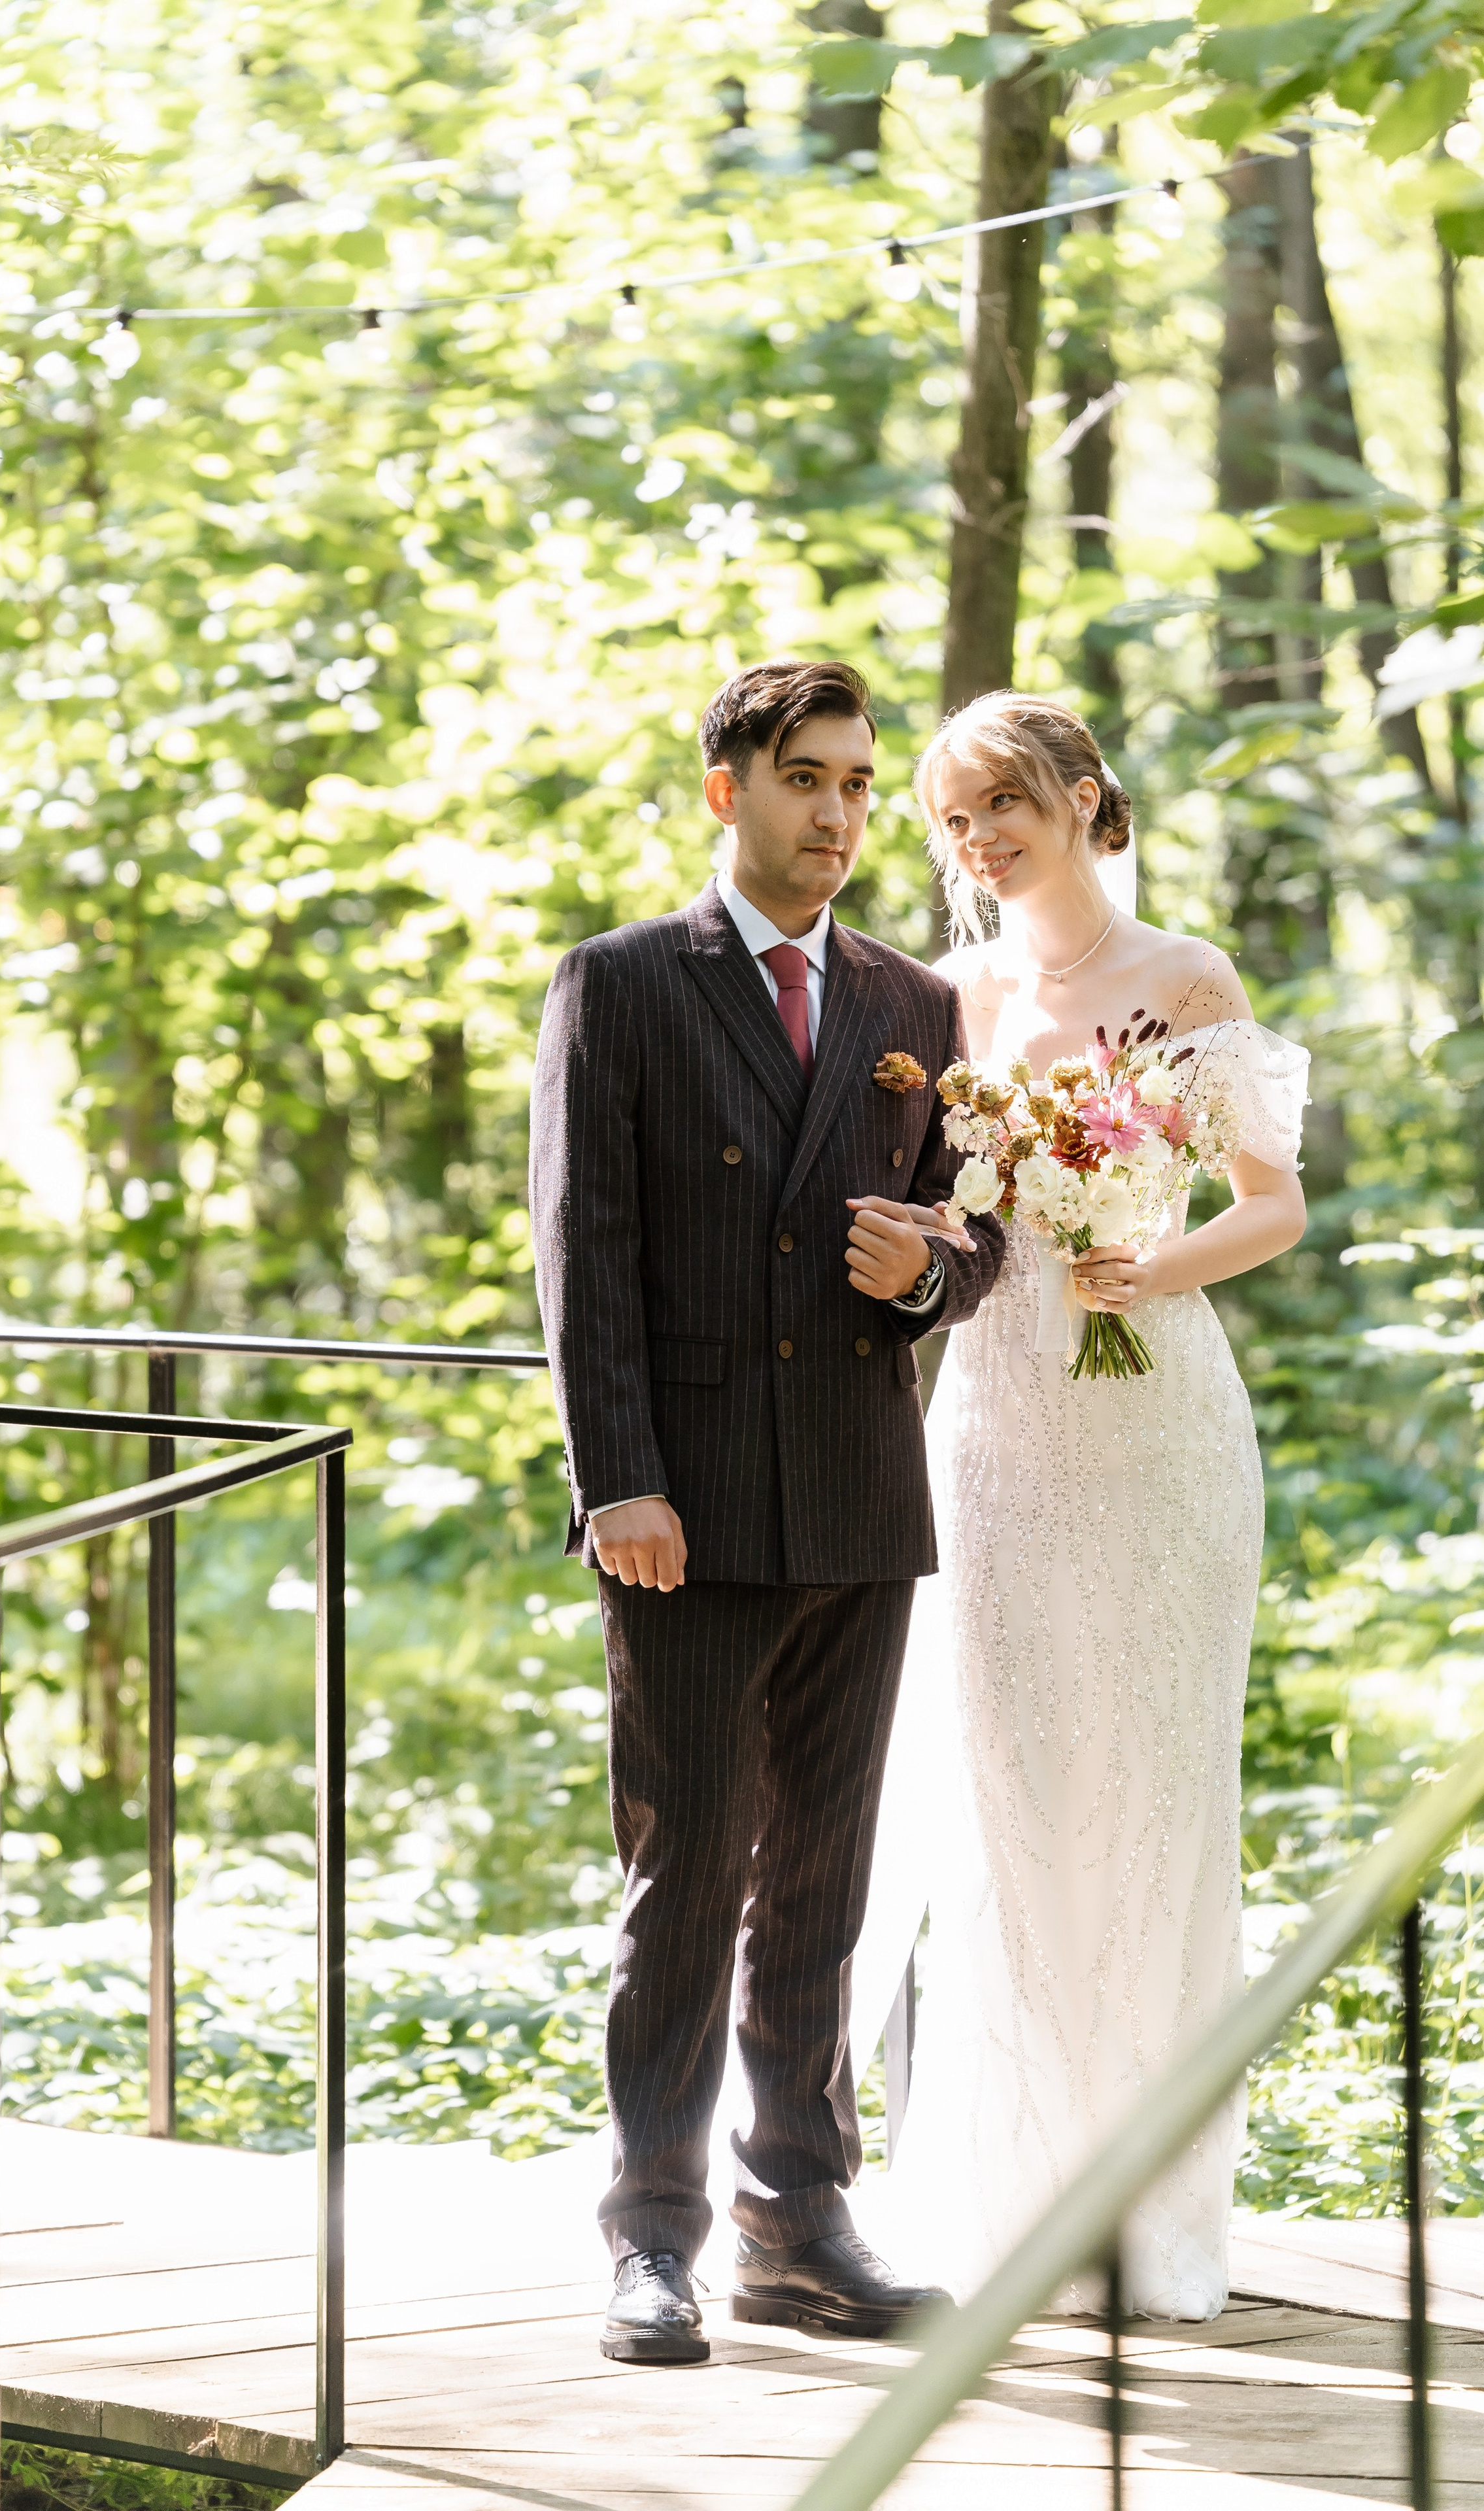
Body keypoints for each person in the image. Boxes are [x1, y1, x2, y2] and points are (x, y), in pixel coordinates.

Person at [529, 658, 1005, 2365]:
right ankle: (649, 2241)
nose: (839, 814)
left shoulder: (912, 1000)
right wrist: (619, 1482)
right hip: (691, 1507)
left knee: (820, 1886)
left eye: (860, 783)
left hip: (859, 1497)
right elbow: (583, 1254)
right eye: (807, 778)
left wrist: (925, 1274)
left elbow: (972, 1225)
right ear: (727, 791)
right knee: (683, 1883)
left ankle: (796, 2226)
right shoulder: (622, 983)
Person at [856, 689, 1309, 2321]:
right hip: (991, 1426)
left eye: (999, 803)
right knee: (1005, 1797)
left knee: (1149, 1798)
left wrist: (1148, 1265)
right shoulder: (945, 994)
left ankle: (1146, 2206)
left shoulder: (1184, 977)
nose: (975, 839)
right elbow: (933, 1212)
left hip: (1155, 1421)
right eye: (949, 817)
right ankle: (1009, 2202)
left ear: (1079, 800)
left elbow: (1272, 1204)